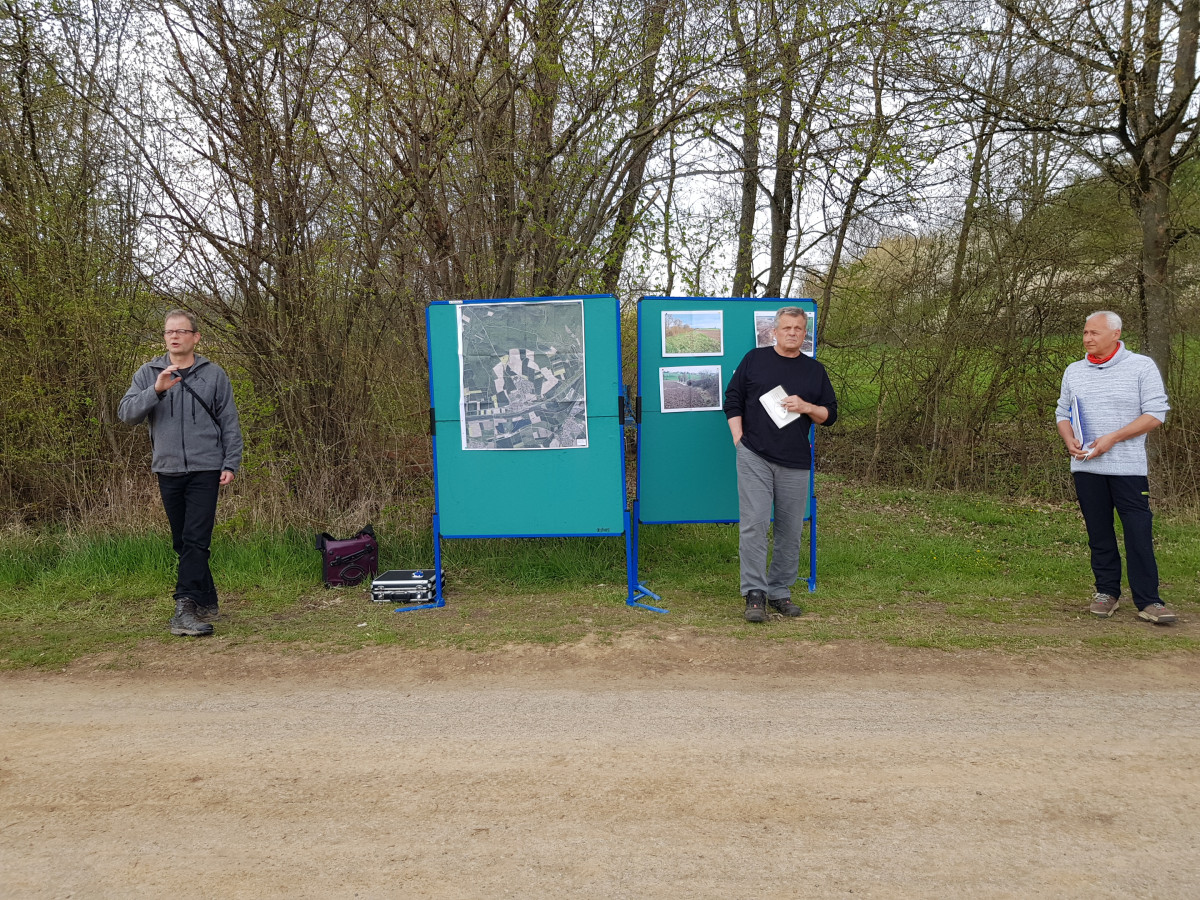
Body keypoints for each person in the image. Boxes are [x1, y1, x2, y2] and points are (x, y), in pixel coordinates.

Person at [119, 309, 243, 637]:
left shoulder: (214, 374)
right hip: (168, 468)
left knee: (196, 538)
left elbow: (229, 421)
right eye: (169, 332)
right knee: (182, 541)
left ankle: (183, 608)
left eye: (181, 331)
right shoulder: (148, 372)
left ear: (195, 337)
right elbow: (127, 414)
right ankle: (205, 597)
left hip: (206, 467)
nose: (174, 336)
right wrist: (156, 390)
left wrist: (230, 462)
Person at [1055, 311, 1175, 624]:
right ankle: (1106, 593)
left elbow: (1155, 414)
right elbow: (1062, 413)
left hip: (1128, 469)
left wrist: (1113, 438)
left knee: (1138, 532)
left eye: (1094, 333)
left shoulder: (1141, 367)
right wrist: (1068, 439)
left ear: (1115, 335)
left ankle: (1149, 601)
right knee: (1099, 533)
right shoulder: (1074, 371)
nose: (1086, 338)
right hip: (1086, 468)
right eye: (1084, 332)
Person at [724, 307, 837, 623]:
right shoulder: (754, 360)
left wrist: (806, 407)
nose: (792, 332)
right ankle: (754, 594)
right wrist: (739, 440)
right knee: (755, 524)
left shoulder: (815, 372)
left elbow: (830, 415)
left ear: (805, 333)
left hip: (796, 461)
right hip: (754, 456)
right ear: (774, 331)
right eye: (786, 327)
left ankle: (779, 592)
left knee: (790, 530)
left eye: (798, 328)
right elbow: (732, 400)